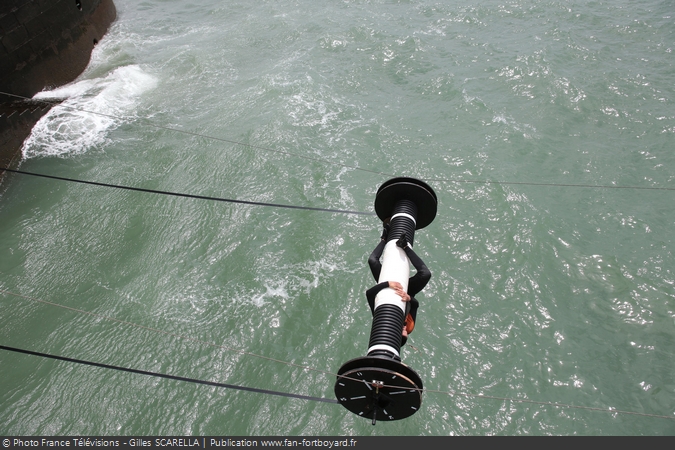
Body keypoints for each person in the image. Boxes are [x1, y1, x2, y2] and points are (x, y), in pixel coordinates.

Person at [366, 222, 431, 346]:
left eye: (402, 330)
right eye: (406, 331)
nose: (405, 329)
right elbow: (416, 305)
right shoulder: (409, 326)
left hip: (387, 287)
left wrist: (387, 283)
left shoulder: (382, 316)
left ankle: (384, 239)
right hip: (407, 291)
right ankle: (405, 246)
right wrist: (409, 298)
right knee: (425, 274)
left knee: (372, 261)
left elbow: (369, 294)